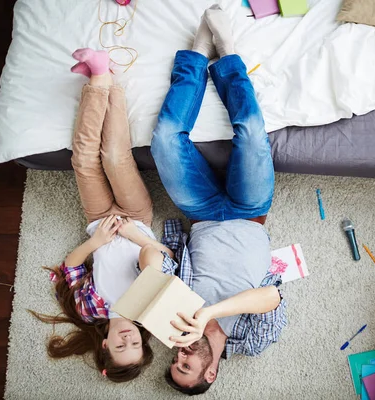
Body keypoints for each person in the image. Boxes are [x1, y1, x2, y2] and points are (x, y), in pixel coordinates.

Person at [150, 6, 287, 395]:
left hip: (201, 213)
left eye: (174, 362)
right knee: (251, 133)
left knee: (164, 140)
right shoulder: (252, 341)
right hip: (250, 212)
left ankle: (196, 55)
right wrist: (210, 313)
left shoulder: (172, 324)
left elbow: (158, 265)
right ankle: (227, 53)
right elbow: (272, 296)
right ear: (210, 374)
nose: (180, 355)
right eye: (186, 366)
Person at [31, 48, 177, 383]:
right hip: (135, 218)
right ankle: (106, 78)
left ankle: (99, 77)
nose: (128, 338)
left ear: (106, 344)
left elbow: (70, 267)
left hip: (97, 220)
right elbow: (158, 255)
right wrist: (133, 235)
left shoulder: (89, 311)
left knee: (82, 160)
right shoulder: (149, 307)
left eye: (121, 346)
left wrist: (97, 240)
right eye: (135, 342)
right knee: (113, 157)